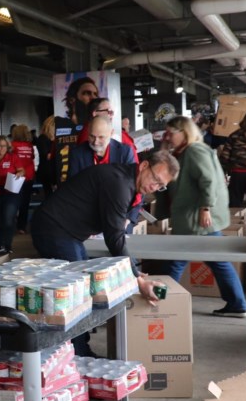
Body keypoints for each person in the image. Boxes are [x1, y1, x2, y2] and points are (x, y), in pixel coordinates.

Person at [30, 150, 180, 355]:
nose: (155, 187)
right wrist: (137, 279)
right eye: (155, 179)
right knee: (77, 295)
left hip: (68, 232)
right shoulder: (119, 184)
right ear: (144, 166)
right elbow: (115, 238)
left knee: (85, 290)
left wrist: (134, 271)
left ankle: (77, 348)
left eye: (161, 186)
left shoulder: (128, 181)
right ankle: (77, 354)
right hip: (53, 229)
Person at [157, 116, 246, 318]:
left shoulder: (194, 151)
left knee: (175, 261)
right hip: (196, 220)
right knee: (217, 260)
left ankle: (159, 303)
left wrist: (205, 207)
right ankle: (237, 304)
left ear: (185, 132)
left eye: (171, 133)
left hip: (196, 221)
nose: (168, 137)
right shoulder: (187, 151)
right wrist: (165, 148)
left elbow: (207, 180)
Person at [11, 124, 36, 234]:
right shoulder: (30, 146)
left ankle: (11, 225)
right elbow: (32, 158)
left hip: (16, 176)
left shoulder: (12, 145)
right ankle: (22, 227)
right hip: (29, 176)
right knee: (25, 203)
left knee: (12, 202)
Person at [35, 115, 56, 193]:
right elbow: (47, 156)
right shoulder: (43, 138)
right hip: (47, 172)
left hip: (51, 171)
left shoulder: (50, 139)